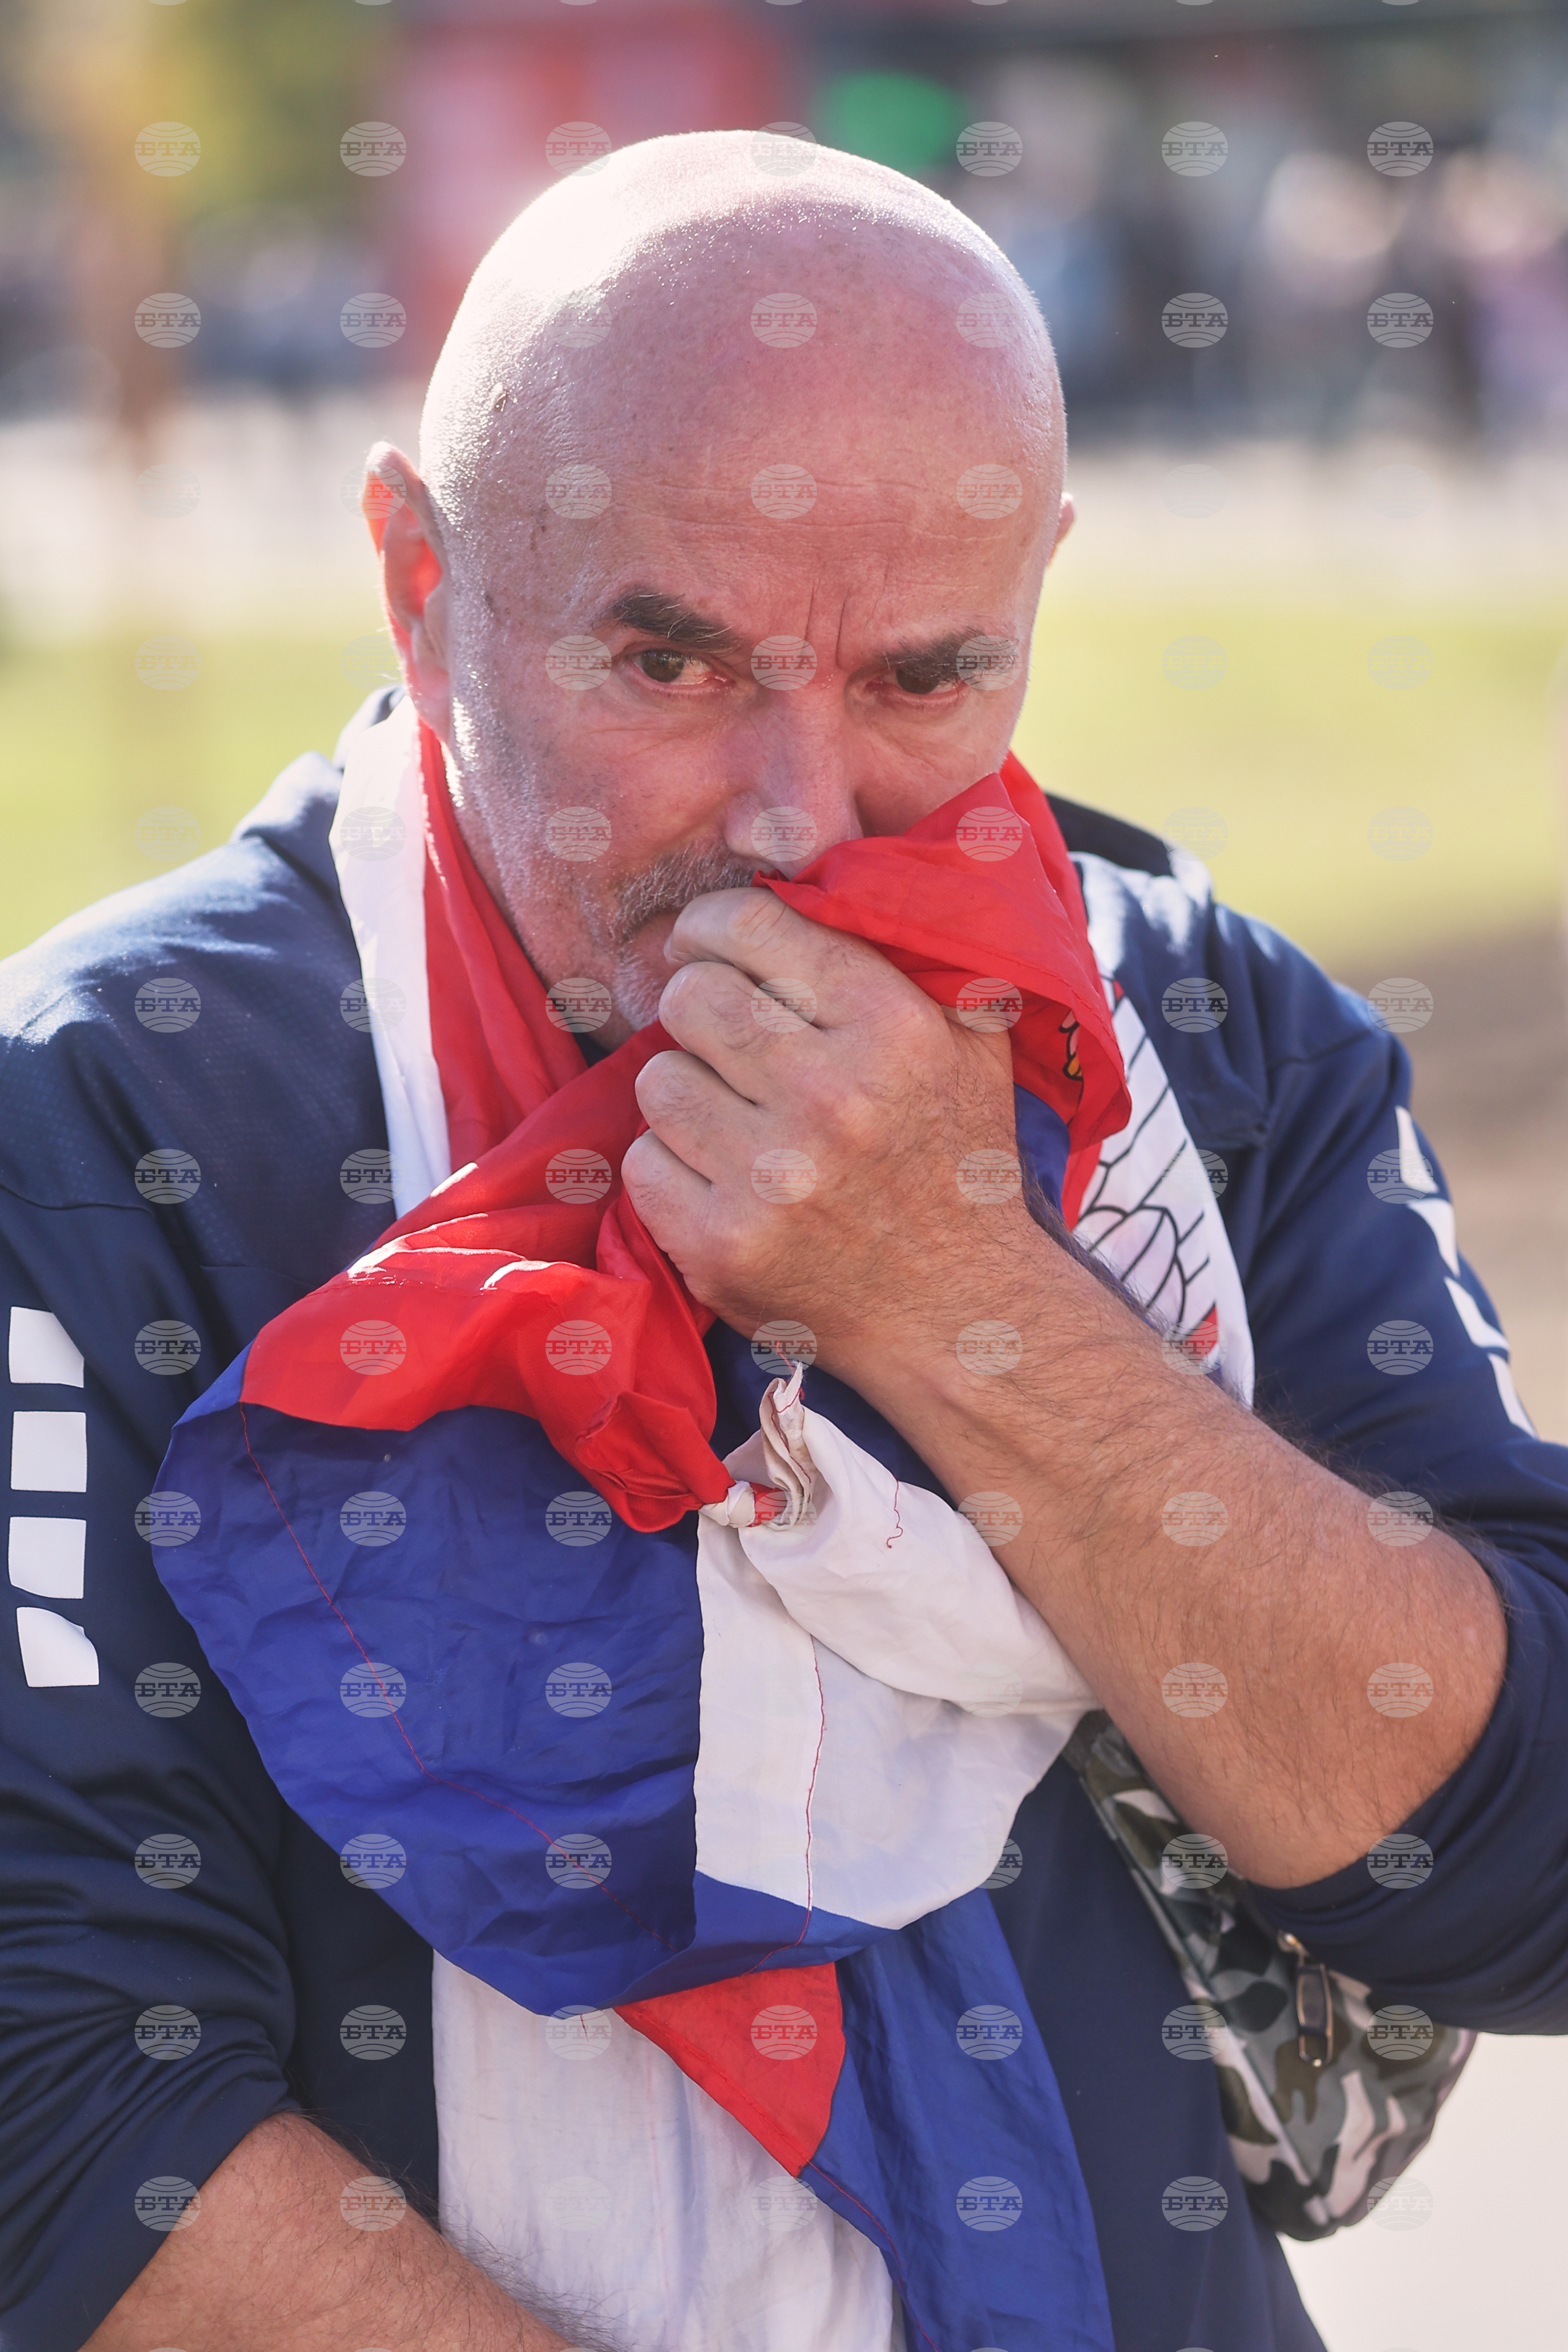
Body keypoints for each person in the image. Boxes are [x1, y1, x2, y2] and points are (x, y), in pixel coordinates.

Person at [2, 132, 1565, 2352]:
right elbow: (58, 2103)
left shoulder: (1203, 1033)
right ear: (418, 576)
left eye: (924, 678)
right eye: (669, 660)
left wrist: (964, 1298)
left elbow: (1518, 1873)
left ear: (1038, 583)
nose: (793, 818)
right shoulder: (100, 1111)